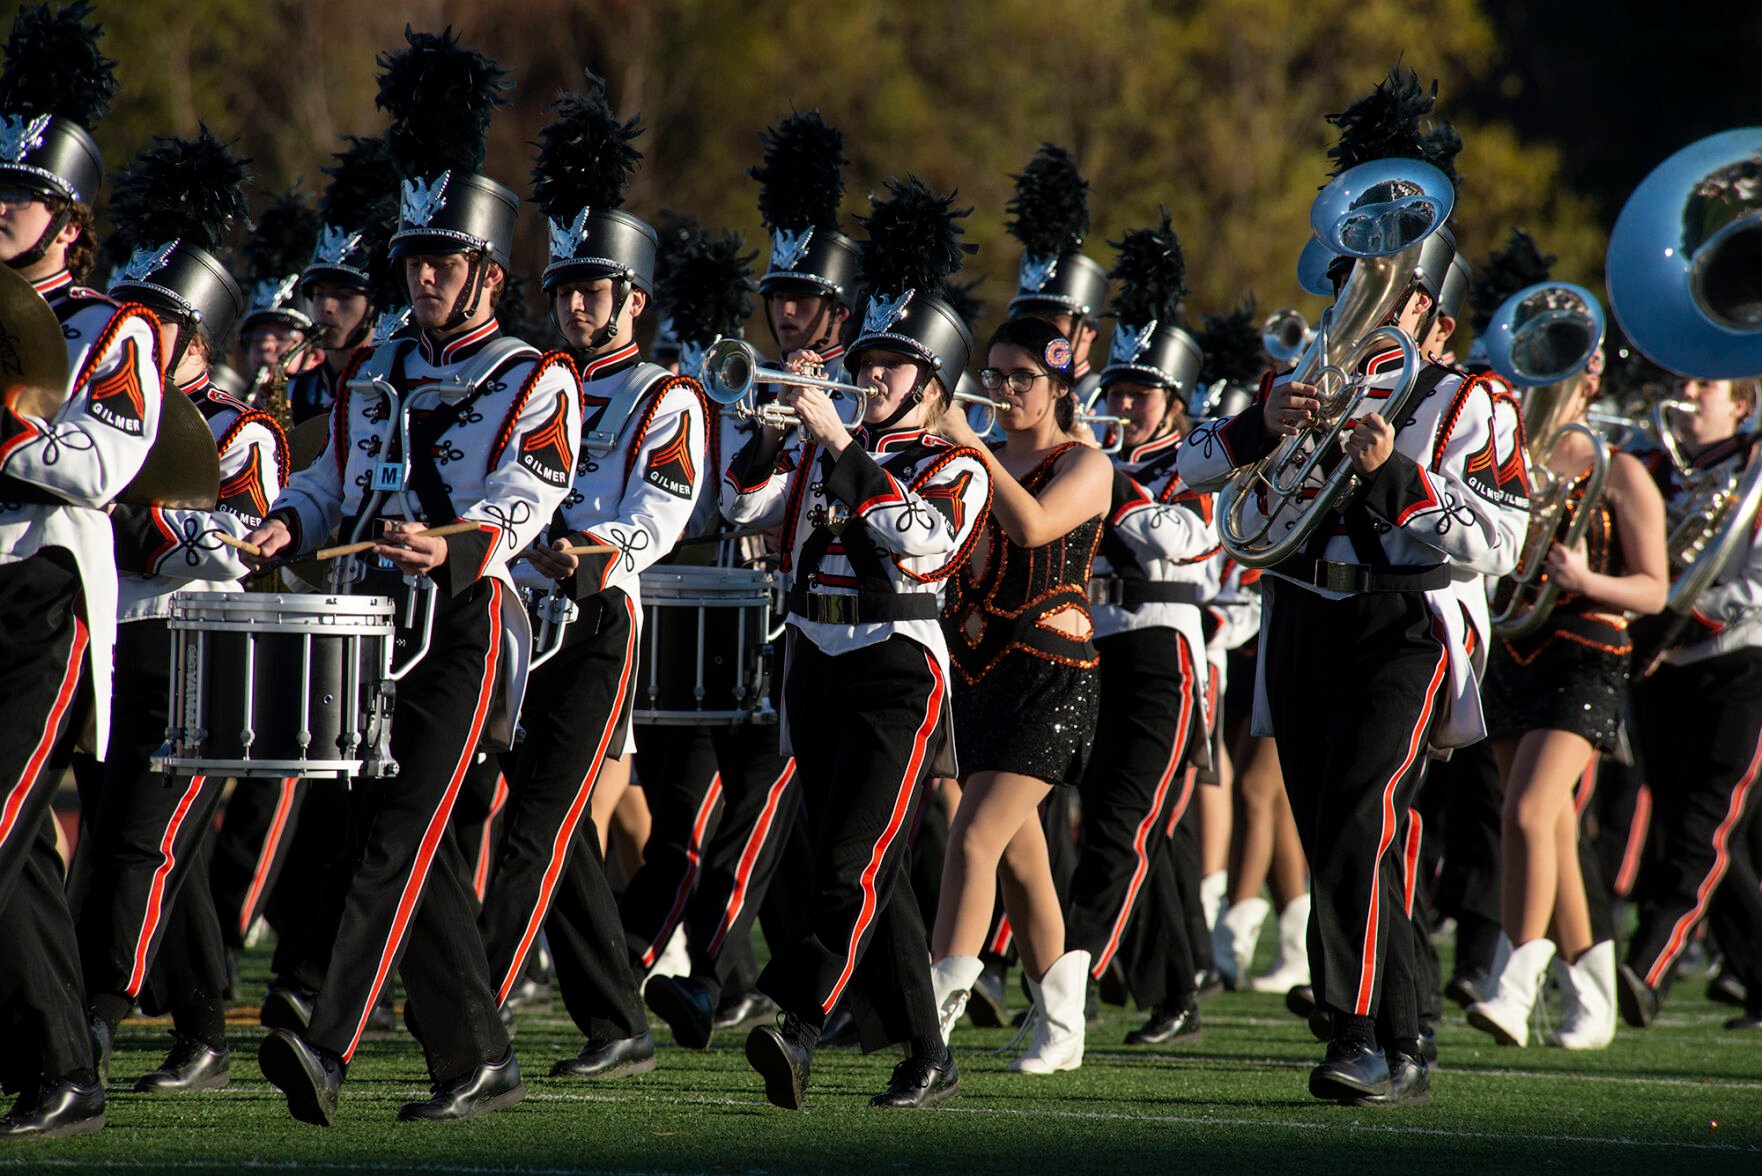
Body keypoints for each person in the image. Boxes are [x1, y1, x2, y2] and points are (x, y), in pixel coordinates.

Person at [243, 28, 578, 1126]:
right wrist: (284, 524)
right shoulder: (375, 367)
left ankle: (326, 1047)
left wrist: (462, 540)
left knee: (396, 836)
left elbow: (533, 489)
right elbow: (333, 478)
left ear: (486, 271)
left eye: (445, 262)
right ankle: (477, 1060)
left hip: (470, 622)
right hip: (370, 619)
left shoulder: (535, 374)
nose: (424, 278)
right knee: (403, 843)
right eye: (414, 261)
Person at [1178, 66, 1529, 1106]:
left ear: (1438, 321)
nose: (1364, 298)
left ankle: (1360, 1036)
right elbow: (1188, 469)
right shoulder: (1307, 376)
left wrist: (1393, 474)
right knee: (1338, 827)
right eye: (1354, 279)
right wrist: (1263, 427)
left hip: (1406, 622)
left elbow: (1499, 540)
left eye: (1395, 290)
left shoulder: (1473, 402)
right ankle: (1406, 1033)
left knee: (1356, 822)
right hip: (1303, 612)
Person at [722, 177, 992, 1110]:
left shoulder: (958, 465)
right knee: (856, 870)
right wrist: (767, 437)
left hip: (895, 671)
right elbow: (738, 506)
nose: (868, 375)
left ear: (932, 384)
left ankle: (797, 1027)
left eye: (891, 365)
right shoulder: (817, 443)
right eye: (866, 358)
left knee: (854, 864)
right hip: (812, 661)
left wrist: (838, 440)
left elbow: (922, 540)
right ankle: (928, 1050)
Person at [478, 71, 707, 1081]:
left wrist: (594, 553)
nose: (573, 306)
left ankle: (466, 1005)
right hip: (519, 613)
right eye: (563, 289)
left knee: (530, 824)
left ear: (632, 300)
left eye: (592, 291)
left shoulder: (667, 394)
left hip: (597, 614)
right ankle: (617, 1021)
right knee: (548, 822)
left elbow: (659, 512)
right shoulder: (531, 377)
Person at [76, 130, 287, 1099]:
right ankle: (203, 1028)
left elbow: (222, 543)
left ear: (195, 333)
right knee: (152, 845)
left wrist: (131, 515)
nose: (136, 330)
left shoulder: (243, 430)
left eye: (157, 318)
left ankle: (96, 1013)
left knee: (140, 842)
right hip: (116, 642)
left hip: (200, 650)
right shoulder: (114, 411)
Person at [0, 1, 139, 1137]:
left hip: (46, 595)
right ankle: (61, 1070)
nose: (0, 209)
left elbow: (102, 461)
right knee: (23, 863)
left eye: (24, 195)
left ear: (70, 220)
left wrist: (6, 436)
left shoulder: (114, 329)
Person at [1468, 297, 1668, 1050]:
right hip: (1516, 646)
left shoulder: (1622, 472)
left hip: (1588, 652)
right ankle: (1593, 993)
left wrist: (1585, 578)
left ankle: (1513, 986)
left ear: (1590, 380)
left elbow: (1654, 588)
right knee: (1548, 822)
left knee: (1527, 814)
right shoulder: (1508, 458)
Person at [931, 316, 1110, 1073]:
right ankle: (1063, 1026)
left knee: (973, 838)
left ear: (1060, 385)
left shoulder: (1087, 462)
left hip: (1049, 675)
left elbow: (1034, 527)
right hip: (976, 670)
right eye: (996, 376)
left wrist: (968, 448)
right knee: (1019, 860)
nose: (1004, 392)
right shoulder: (982, 453)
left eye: (1023, 379)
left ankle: (928, 1022)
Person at [1619, 374, 1762, 1033]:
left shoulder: (1756, 468)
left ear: (1741, 404)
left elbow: (1755, 586)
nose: (1689, 387)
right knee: (1691, 826)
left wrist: (1673, 618)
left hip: (1742, 663)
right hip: (1661, 665)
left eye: (1708, 381)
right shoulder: (1650, 464)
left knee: (1704, 820)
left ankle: (1649, 964)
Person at [286, 136, 403, 426]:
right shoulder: (294, 391)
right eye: (318, 293)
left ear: (375, 304)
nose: (325, 306)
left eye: (343, 296)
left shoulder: (396, 387)